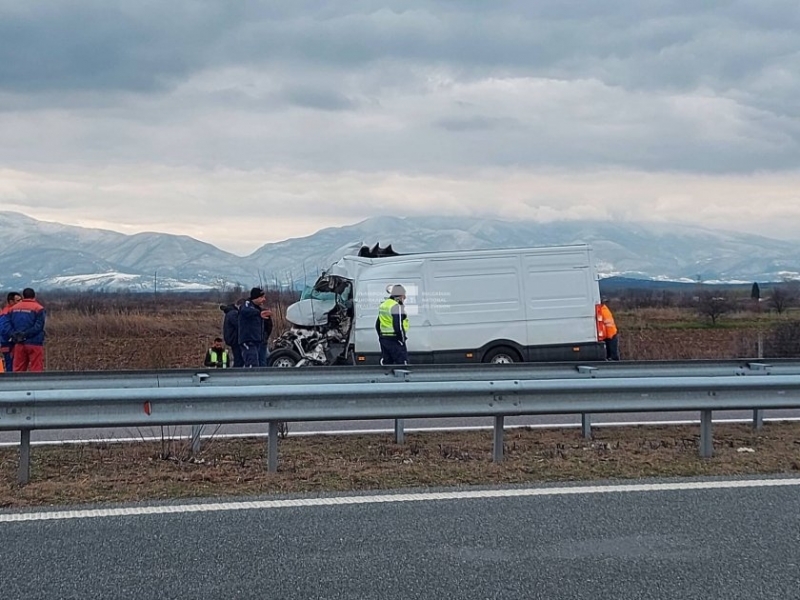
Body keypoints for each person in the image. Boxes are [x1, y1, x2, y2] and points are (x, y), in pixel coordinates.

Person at [5, 288, 46, 372]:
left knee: (18, 369)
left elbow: (7, 324)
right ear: (34, 296)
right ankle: (35, 385)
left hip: (19, 343)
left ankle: (17, 385)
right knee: (36, 369)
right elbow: (38, 327)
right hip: (35, 342)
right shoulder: (38, 308)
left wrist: (16, 335)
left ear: (23, 296)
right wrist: (26, 334)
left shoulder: (13, 308)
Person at [376, 284, 409, 365]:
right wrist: (402, 339)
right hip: (395, 339)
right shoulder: (396, 306)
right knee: (401, 365)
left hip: (384, 339)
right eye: (404, 296)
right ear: (400, 296)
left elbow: (377, 324)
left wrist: (381, 336)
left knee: (388, 364)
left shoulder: (384, 305)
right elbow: (398, 325)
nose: (404, 298)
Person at [238, 287, 270, 368]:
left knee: (261, 364)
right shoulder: (247, 305)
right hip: (249, 341)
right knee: (252, 364)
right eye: (261, 297)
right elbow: (245, 311)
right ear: (255, 297)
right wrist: (259, 313)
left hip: (258, 342)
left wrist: (264, 337)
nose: (264, 299)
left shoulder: (258, 308)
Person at [220, 298, 245, 367]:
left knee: (238, 359)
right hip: (235, 339)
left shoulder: (231, 312)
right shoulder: (233, 314)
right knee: (239, 359)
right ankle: (235, 374)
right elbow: (239, 325)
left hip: (232, 339)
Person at [0, 291, 21, 373]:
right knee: (10, 364)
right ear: (11, 301)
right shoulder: (7, 312)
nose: (21, 302)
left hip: (12, 342)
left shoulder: (14, 311)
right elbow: (3, 329)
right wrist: (13, 336)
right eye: (18, 300)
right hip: (7, 343)